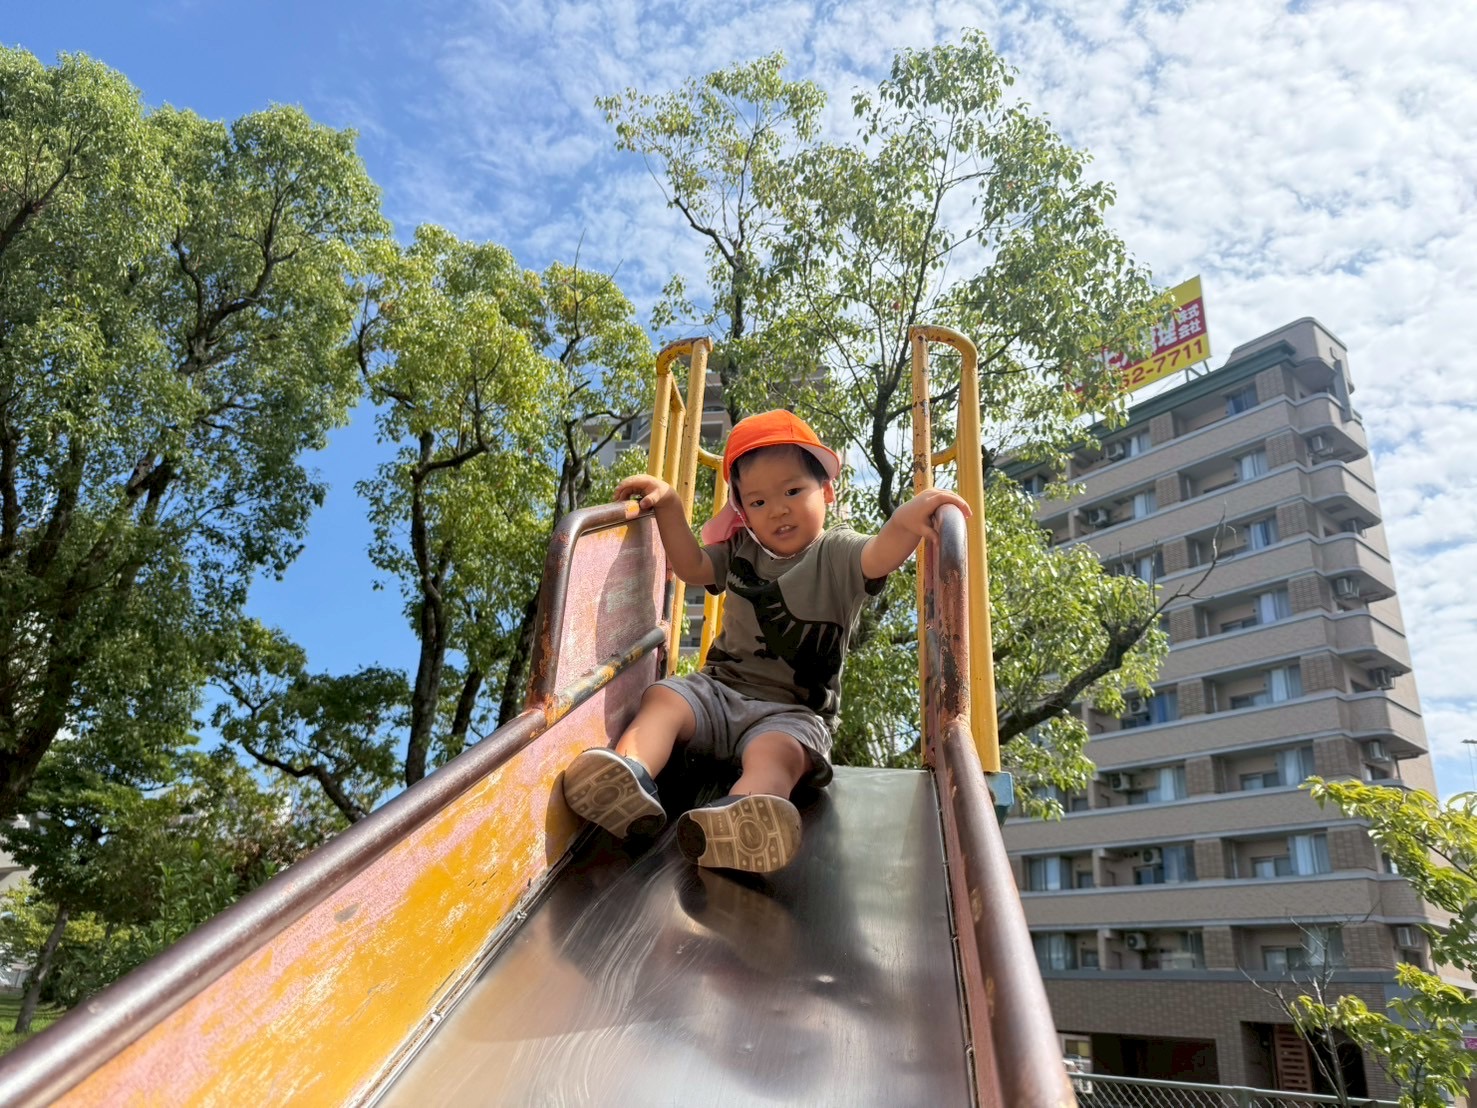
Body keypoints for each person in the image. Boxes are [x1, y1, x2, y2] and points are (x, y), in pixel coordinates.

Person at [560, 409, 969, 874]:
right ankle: (629, 774)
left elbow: (879, 555)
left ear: (826, 492)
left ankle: (744, 816)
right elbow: (692, 567)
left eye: (793, 491)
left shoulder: (836, 551)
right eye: (757, 501)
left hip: (791, 712)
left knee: (778, 752)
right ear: (743, 512)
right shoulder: (741, 549)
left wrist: (907, 519)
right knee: (664, 697)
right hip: (719, 691)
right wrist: (669, 505)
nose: (777, 509)